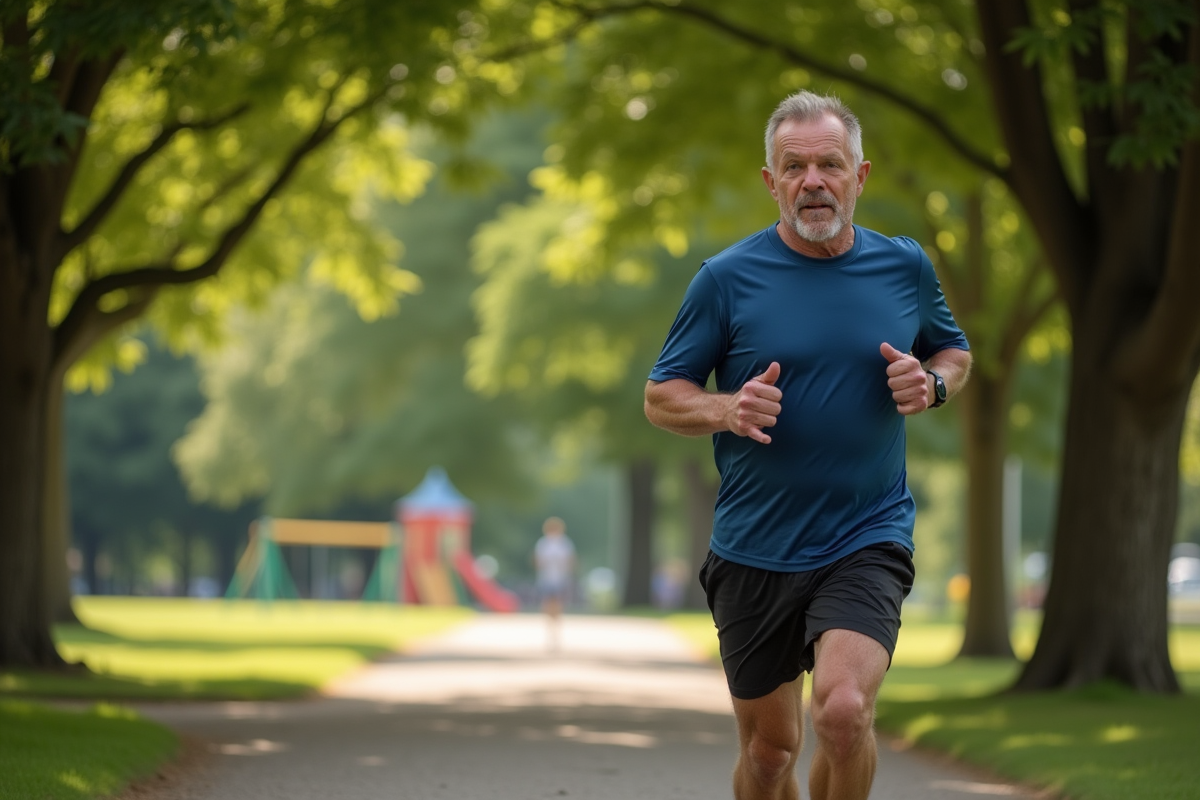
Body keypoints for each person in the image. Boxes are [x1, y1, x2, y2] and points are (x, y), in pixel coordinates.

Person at [644, 91, 972, 800]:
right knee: (769, 755)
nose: (814, 180)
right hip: (754, 545)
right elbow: (661, 394)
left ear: (861, 175)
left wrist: (934, 385)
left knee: (845, 713)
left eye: (831, 164)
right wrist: (726, 407)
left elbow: (953, 351)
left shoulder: (904, 266)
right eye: (795, 167)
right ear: (771, 181)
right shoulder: (725, 280)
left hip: (867, 533)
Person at [533, 516, 575, 651]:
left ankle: (555, 631)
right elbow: (538, 561)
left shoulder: (565, 544)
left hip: (560, 579)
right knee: (547, 605)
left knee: (557, 605)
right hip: (546, 579)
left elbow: (570, 561)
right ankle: (550, 630)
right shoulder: (543, 544)